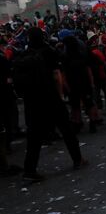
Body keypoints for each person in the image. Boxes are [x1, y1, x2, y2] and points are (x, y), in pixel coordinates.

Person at [14, 28, 86, 182]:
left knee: (34, 137)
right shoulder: (48, 52)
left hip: (32, 101)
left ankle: (30, 169)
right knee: (66, 129)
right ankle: (77, 159)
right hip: (50, 96)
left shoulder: (24, 55)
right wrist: (61, 93)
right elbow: (56, 75)